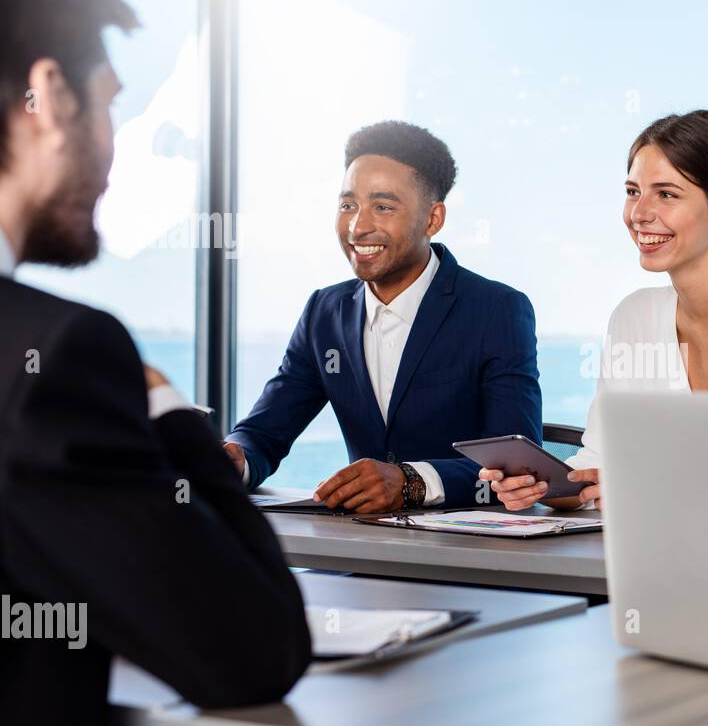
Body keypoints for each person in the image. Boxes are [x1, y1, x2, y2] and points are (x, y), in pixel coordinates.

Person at [0, 0, 310, 726]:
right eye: (109, 103)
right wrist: (170, 416)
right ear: (48, 97)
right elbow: (253, 648)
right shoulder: (56, 357)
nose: (115, 144)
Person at [224, 121, 542, 511]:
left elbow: (518, 467)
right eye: (347, 205)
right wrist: (236, 457)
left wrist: (411, 481)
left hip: (472, 554)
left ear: (432, 219)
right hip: (365, 549)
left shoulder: (496, 310)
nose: (358, 227)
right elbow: (264, 433)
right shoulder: (324, 313)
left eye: (383, 206)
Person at [481, 109, 708, 510]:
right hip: (655, 560)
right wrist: (545, 487)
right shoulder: (634, 317)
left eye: (666, 194)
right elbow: (599, 464)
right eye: (633, 191)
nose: (639, 214)